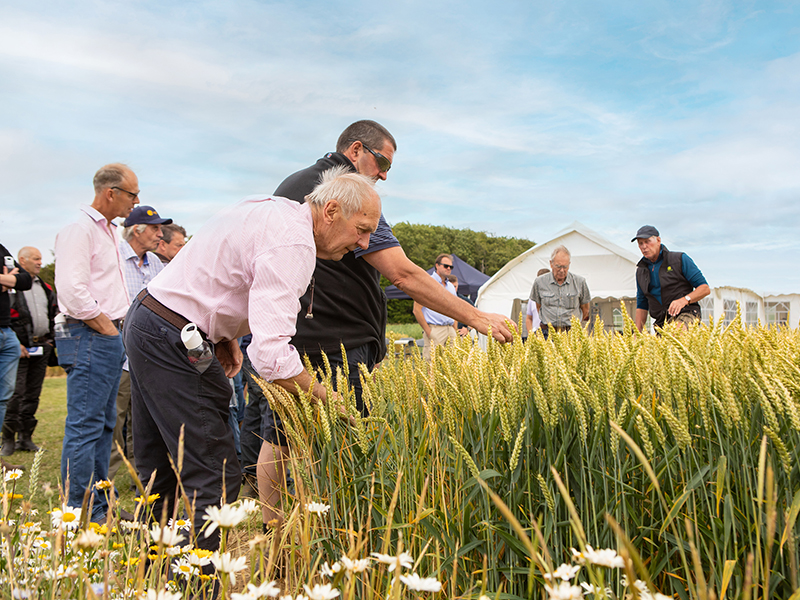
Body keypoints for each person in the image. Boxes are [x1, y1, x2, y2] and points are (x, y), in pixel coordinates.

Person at [240, 120, 514, 528]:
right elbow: (403, 274)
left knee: (279, 441)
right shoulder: (349, 197)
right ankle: (331, 535)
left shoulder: (295, 184)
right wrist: (475, 316)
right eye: (382, 162)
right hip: (333, 346)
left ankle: (277, 531)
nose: (384, 175)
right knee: (332, 443)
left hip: (295, 342)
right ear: (355, 150)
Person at [124, 166, 381, 552]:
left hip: (151, 320)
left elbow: (224, 272)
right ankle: (201, 584)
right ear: (330, 212)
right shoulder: (295, 244)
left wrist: (223, 333)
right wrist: (332, 402)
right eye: (361, 229)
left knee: (160, 465)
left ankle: (151, 571)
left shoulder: (272, 209)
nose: (363, 243)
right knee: (213, 469)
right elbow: (273, 356)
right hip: (173, 337)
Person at [54, 163, 137, 521]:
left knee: (104, 424)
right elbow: (72, 289)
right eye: (132, 194)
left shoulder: (108, 232)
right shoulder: (80, 228)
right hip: (91, 333)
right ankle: (78, 513)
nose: (136, 201)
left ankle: (99, 506)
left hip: (104, 333)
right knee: (86, 425)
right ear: (111, 193)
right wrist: (104, 325)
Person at [108, 206, 172, 482]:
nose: (160, 234)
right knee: (113, 418)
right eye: (156, 229)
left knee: (143, 420)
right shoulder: (115, 258)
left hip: (149, 355)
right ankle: (104, 480)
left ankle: (142, 478)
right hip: (119, 351)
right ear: (137, 230)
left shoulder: (156, 264)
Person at [3, 247, 57, 456]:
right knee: (15, 394)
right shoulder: (12, 286)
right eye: (35, 259)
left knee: (33, 395)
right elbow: (9, 315)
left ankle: (26, 437)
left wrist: (50, 342)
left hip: (41, 346)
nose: (40, 262)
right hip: (19, 347)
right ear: (22, 261)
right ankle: (8, 439)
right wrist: (16, 342)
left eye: (41, 259)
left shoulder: (44, 287)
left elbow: (52, 313)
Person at [631, 225, 710, 331]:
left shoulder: (679, 259)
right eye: (640, 243)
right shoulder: (641, 271)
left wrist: (684, 300)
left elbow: (704, 288)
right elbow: (642, 304)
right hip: (661, 321)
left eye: (647, 241)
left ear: (658, 240)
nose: (644, 246)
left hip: (686, 313)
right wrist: (637, 332)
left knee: (676, 334)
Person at [1, 243, 32, 471]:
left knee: (3, 397)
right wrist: (6, 279)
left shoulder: (2, 250)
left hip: (6, 332)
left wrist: (5, 280)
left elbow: (25, 281)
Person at [530, 246, 591, 336]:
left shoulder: (580, 282)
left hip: (571, 333)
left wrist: (574, 325)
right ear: (551, 264)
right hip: (547, 333)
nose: (562, 270)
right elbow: (539, 307)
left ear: (569, 264)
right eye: (558, 266)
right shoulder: (539, 282)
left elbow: (585, 309)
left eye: (565, 267)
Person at [413, 254, 458, 358]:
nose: (448, 268)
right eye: (445, 266)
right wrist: (429, 332)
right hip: (435, 329)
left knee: (454, 365)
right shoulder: (427, 282)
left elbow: (455, 310)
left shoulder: (450, 286)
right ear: (437, 266)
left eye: (450, 267)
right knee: (432, 365)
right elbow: (416, 310)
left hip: (450, 329)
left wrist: (454, 330)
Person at [525, 268, 550, 337]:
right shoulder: (532, 299)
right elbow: (529, 318)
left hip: (552, 334)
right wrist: (531, 334)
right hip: (536, 334)